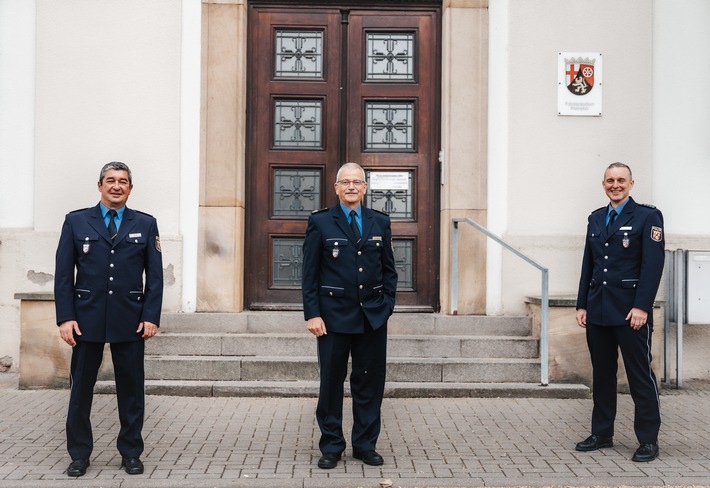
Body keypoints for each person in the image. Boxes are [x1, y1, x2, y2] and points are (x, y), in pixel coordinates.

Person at [54, 161, 163, 477]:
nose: (117, 186)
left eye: (123, 181)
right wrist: (65, 318)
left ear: (131, 188)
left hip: (130, 320)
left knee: (131, 391)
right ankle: (79, 454)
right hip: (86, 319)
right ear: (100, 185)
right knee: (80, 392)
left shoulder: (145, 223)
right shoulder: (76, 222)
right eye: (111, 180)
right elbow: (63, 275)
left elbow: (154, 277)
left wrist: (151, 316)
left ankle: (131, 452)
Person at [301, 162, 397, 469]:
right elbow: (309, 274)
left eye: (357, 182)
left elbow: (389, 270)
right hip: (332, 318)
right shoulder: (321, 222)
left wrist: (387, 305)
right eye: (346, 182)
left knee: (368, 384)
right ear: (336, 187)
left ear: (365, 188)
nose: (352, 187)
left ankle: (365, 445)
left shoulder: (379, 222)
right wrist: (313, 314)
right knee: (331, 384)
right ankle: (331, 445)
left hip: (372, 317)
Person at [575, 162, 665, 462]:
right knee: (602, 375)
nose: (616, 185)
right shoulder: (596, 218)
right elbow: (589, 263)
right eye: (610, 180)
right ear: (603, 184)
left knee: (639, 375)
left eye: (621, 180)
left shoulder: (647, 216)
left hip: (630, 313)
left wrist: (642, 306)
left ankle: (648, 440)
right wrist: (582, 304)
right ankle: (602, 433)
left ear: (631, 183)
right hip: (598, 309)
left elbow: (652, 266)